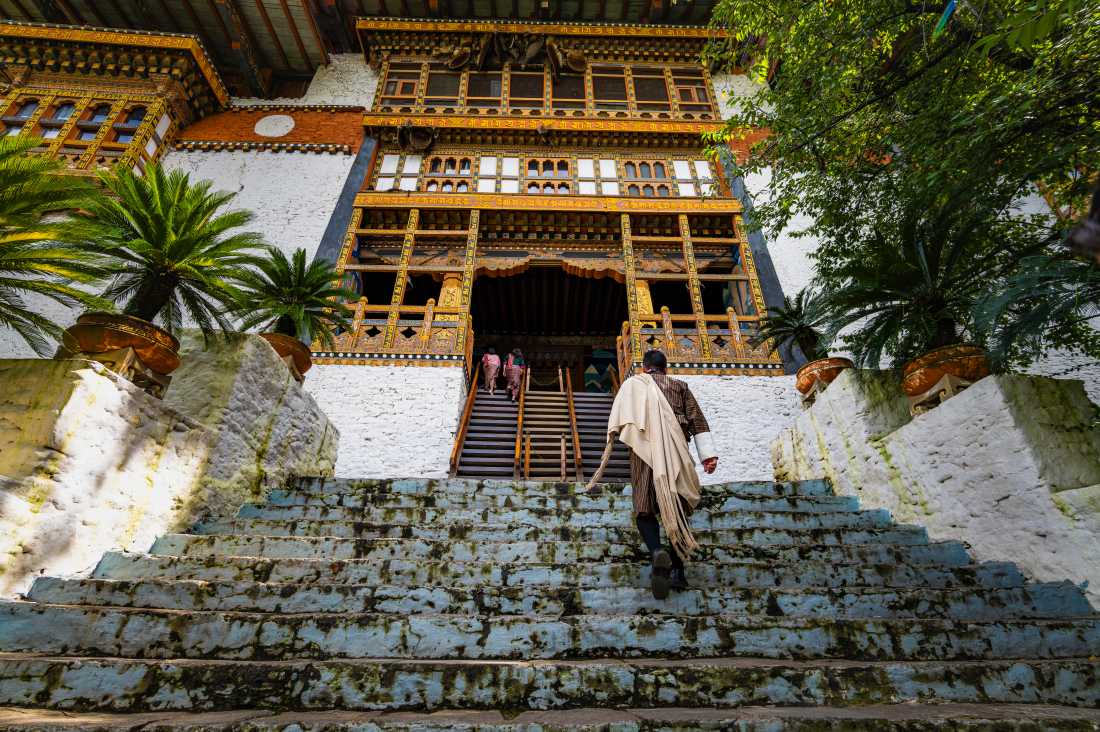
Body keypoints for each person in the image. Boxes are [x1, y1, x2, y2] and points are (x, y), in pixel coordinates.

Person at [598, 349, 717, 600]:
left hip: (643, 454)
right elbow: (698, 421)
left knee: (644, 509)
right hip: (676, 453)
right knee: (675, 511)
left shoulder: (633, 384)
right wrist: (708, 455)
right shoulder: (680, 386)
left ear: (645, 368)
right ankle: (678, 573)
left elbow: (619, 416)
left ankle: (655, 552)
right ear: (665, 368)